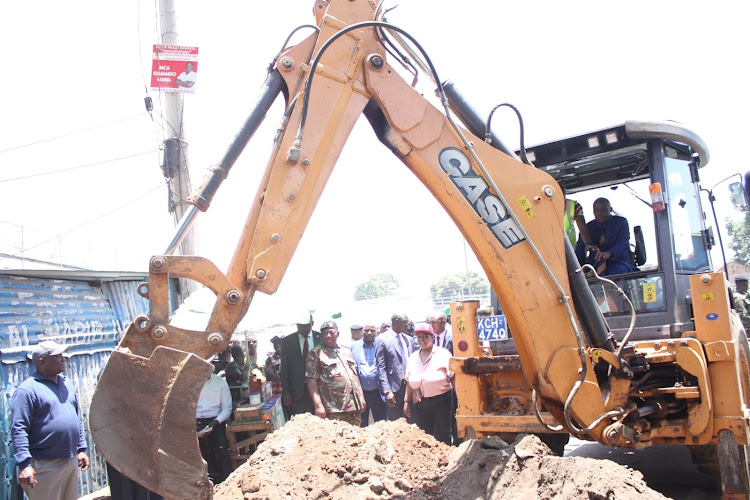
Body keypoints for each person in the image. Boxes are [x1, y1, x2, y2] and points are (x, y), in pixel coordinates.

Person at [11, 340, 90, 500]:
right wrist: (24, 464)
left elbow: (75, 417)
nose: (63, 358)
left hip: (70, 460)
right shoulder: (27, 390)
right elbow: (19, 428)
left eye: (63, 355)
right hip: (44, 465)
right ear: (42, 362)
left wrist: (81, 449)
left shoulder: (67, 384)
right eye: (57, 356)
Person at [305, 320, 365, 425]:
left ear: (338, 334)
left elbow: (355, 376)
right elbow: (311, 380)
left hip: (354, 406)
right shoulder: (316, 354)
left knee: (355, 436)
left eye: (331, 332)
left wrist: (361, 397)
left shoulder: (346, 351)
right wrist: (318, 405)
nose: (328, 336)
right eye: (325, 333)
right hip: (334, 409)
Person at [403, 324, 454, 446]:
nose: (422, 340)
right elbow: (409, 382)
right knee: (424, 434)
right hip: (420, 403)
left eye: (425, 336)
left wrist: (461, 400)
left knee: (443, 433)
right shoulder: (413, 357)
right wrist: (406, 401)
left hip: (442, 401)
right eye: (419, 337)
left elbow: (453, 377)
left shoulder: (443, 354)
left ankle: (445, 460)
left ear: (432, 337)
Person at [575, 197, 637, 276]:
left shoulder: (621, 222)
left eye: (603, 209)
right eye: (596, 210)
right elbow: (579, 250)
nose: (599, 213)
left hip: (618, 262)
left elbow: (622, 244)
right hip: (594, 265)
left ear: (610, 209)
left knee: (616, 272)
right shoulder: (588, 227)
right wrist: (578, 268)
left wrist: (609, 253)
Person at [280, 310, 322, 416]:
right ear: (297, 325)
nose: (304, 329)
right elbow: (284, 370)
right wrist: (286, 392)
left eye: (307, 326)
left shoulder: (321, 338)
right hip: (298, 391)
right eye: (301, 326)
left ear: (312, 323)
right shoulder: (287, 342)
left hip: (320, 389)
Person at [374, 313, 415, 421]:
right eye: (405, 322)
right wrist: (387, 391)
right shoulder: (382, 339)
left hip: (410, 385)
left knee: (412, 418)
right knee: (395, 421)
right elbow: (381, 367)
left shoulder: (408, 339)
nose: (407, 325)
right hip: (395, 387)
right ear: (396, 321)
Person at [195, 372, 232, 484]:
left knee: (221, 446)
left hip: (215, 420)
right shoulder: (191, 382)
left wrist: (216, 422)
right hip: (195, 421)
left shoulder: (220, 382)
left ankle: (226, 481)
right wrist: (191, 420)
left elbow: (227, 408)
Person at [350, 322, 387, 427]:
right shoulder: (353, 347)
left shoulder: (381, 345)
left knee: (381, 424)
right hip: (362, 394)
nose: (369, 333)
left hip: (378, 393)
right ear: (362, 332)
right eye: (366, 330)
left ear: (377, 332)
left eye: (372, 330)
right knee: (362, 424)